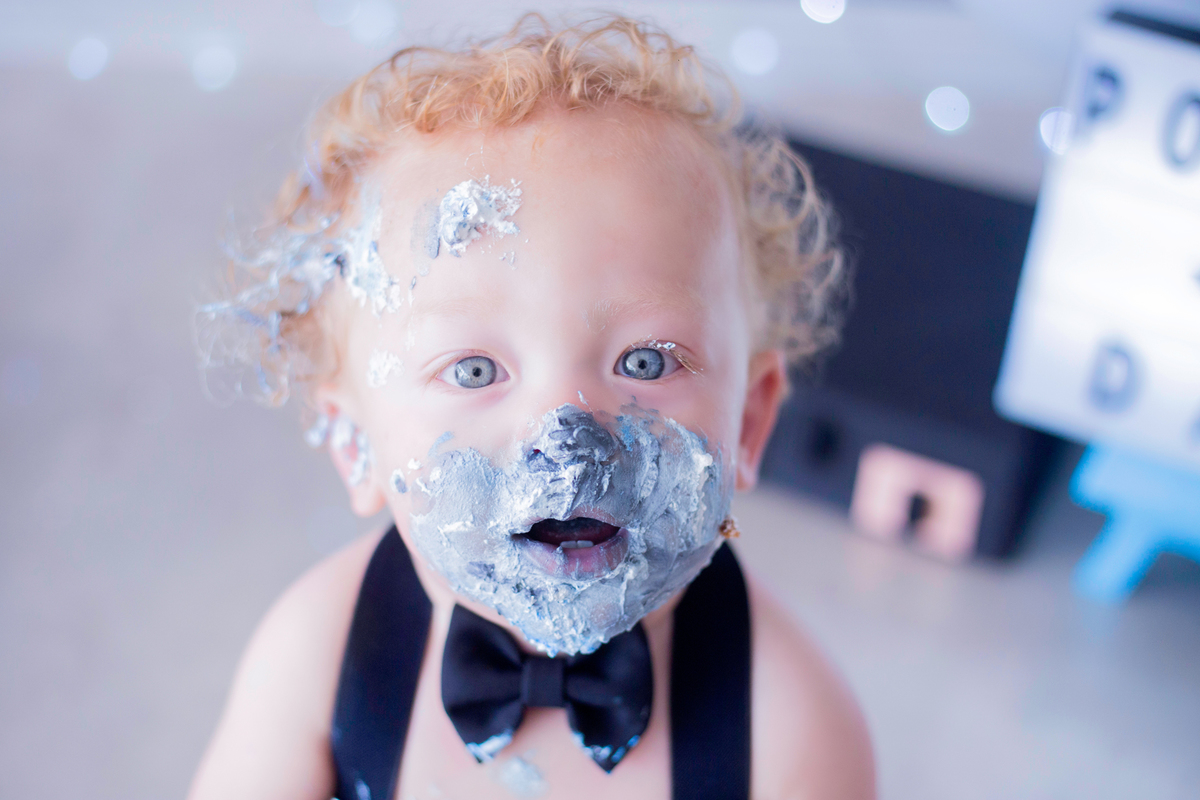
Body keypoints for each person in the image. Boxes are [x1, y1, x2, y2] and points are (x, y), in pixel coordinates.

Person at [188, 13, 874, 800]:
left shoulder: (788, 725)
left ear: (750, 423)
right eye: (476, 369)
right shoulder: (321, 654)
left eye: (643, 361)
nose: (568, 439)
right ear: (354, 443)